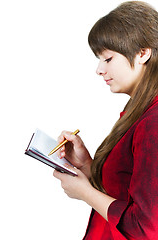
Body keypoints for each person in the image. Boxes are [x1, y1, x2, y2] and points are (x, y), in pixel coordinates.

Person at [53, 1, 158, 239]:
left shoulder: (154, 121)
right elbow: (126, 193)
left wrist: (85, 193)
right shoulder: (138, 110)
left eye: (108, 59)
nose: (99, 69)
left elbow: (146, 228)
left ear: (143, 53)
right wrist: (87, 167)